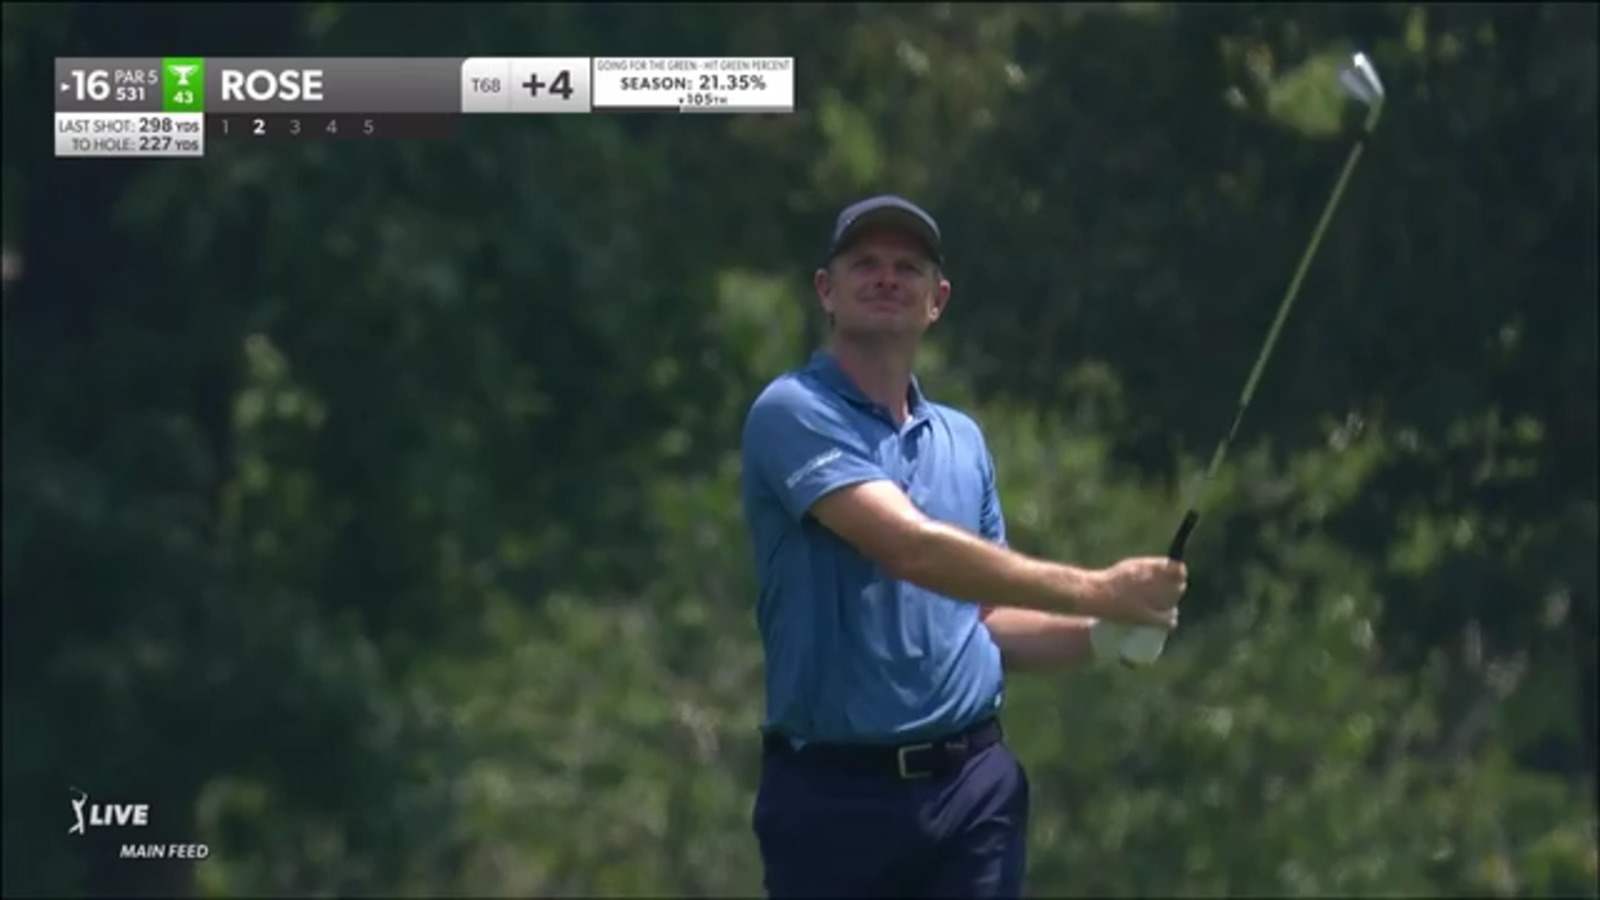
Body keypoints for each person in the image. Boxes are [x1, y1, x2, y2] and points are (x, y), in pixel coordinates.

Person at [738, 194, 1189, 898]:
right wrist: (1101, 589)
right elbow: (909, 549)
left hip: (973, 788)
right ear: (826, 290)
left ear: (937, 299)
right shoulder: (793, 411)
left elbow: (982, 623)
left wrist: (1104, 633)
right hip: (832, 797)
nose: (887, 277)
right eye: (865, 264)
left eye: (907, 267)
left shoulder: (963, 440)